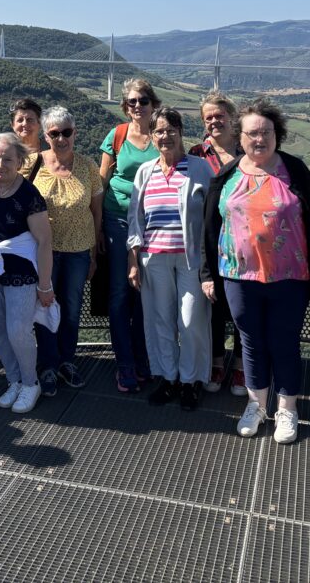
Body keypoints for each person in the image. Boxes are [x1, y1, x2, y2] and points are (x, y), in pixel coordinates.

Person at [203, 99, 310, 445]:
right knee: (251, 342)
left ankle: (287, 409)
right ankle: (256, 406)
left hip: (289, 276)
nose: (259, 139)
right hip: (238, 276)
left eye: (266, 132)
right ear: (239, 137)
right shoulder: (227, 175)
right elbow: (211, 226)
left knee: (284, 341)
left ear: (278, 135)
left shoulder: (294, 170)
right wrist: (208, 274)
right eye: (252, 133)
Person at [127, 107, 214, 410]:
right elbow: (135, 218)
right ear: (151, 137)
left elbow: (213, 218)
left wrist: (211, 267)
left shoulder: (201, 169)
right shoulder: (145, 172)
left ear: (180, 131)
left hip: (191, 260)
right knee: (161, 321)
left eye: (170, 129)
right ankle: (169, 377)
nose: (165, 136)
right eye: (159, 131)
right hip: (155, 258)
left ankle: (191, 380)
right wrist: (134, 260)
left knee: (191, 321)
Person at [0, 132, 54, 414]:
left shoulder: (28, 194)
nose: (0, 164)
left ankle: (30, 383)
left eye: (8, 159)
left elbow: (44, 240)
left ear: (19, 161)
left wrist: (44, 285)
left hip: (21, 272)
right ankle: (14, 379)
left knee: (18, 329)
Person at [32, 107, 103, 396]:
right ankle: (47, 365)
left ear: (75, 133)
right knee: (46, 307)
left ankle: (66, 361)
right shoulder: (32, 164)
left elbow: (96, 213)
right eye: (54, 133)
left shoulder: (87, 167)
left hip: (78, 250)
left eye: (67, 132)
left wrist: (94, 254)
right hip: (42, 251)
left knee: (71, 309)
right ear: (46, 135)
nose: (61, 138)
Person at [99, 78, 160, 393]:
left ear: (153, 104)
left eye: (144, 100)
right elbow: (103, 180)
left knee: (143, 295)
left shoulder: (162, 135)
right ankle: (125, 364)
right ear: (126, 106)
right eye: (133, 102)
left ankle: (143, 358)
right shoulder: (117, 135)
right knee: (121, 293)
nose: (138, 106)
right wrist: (96, 226)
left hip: (153, 223)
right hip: (118, 219)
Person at [189, 91, 246, 397]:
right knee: (211, 305)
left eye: (219, 115)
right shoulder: (196, 153)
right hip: (207, 239)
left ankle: (239, 366)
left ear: (231, 118)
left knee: (240, 307)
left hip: (241, 240)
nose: (214, 121)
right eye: (208, 117)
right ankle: (215, 362)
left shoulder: (247, 151)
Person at [10, 98, 44, 179]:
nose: (25, 124)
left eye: (30, 120)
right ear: (12, 125)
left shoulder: (51, 150)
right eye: (20, 120)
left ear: (39, 123)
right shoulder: (6, 151)